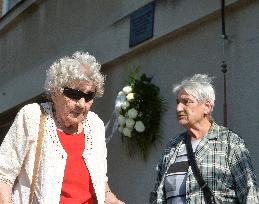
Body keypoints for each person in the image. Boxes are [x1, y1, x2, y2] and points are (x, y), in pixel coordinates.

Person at [0, 51, 125, 204]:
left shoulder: (95, 125)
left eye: (88, 96)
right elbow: (3, 176)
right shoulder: (32, 116)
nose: (81, 104)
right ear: (55, 92)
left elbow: (101, 187)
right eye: (73, 94)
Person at [150, 74, 259, 203]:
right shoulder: (172, 147)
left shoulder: (230, 143)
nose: (179, 108)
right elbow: (158, 198)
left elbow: (250, 195)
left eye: (186, 102)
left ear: (206, 106)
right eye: (178, 102)